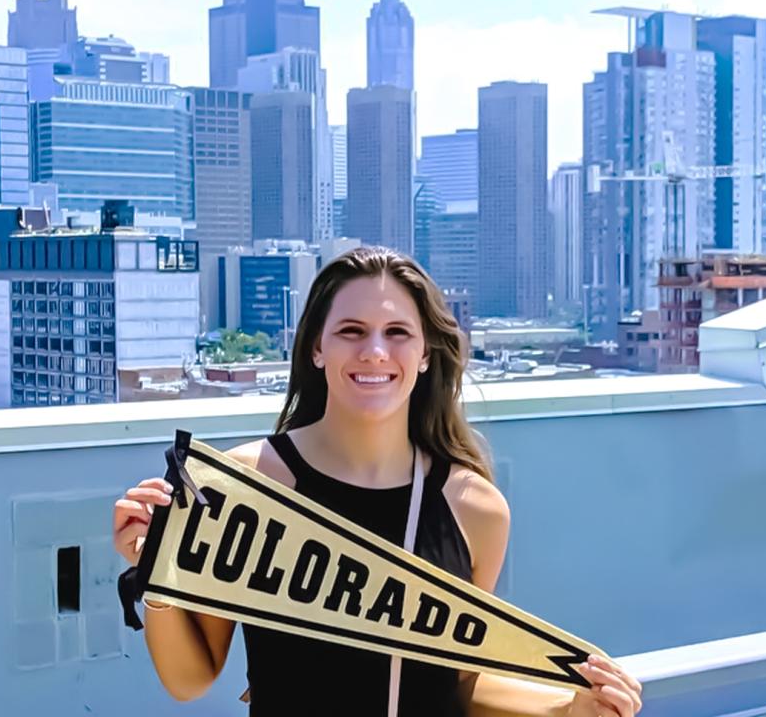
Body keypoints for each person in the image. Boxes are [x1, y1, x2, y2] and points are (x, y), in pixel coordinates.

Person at [113, 246, 643, 717]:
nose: (374, 352)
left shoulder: (475, 509)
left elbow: (458, 683)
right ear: (317, 349)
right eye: (351, 331)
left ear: (426, 354)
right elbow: (191, 680)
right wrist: (156, 571)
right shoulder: (244, 486)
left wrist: (567, 709)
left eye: (397, 333)